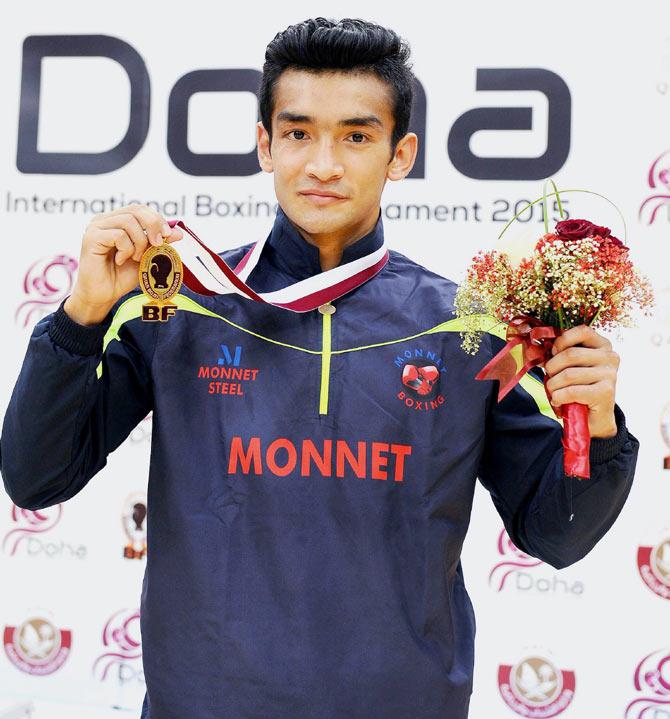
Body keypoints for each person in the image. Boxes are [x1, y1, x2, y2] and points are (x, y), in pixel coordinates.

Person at [0, 17, 639, 719]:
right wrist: (80, 317)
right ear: (264, 145)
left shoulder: (471, 328)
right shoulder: (181, 305)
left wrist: (597, 426)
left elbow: (557, 533)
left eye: (357, 136)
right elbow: (36, 476)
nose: (323, 164)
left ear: (401, 154)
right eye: (299, 132)